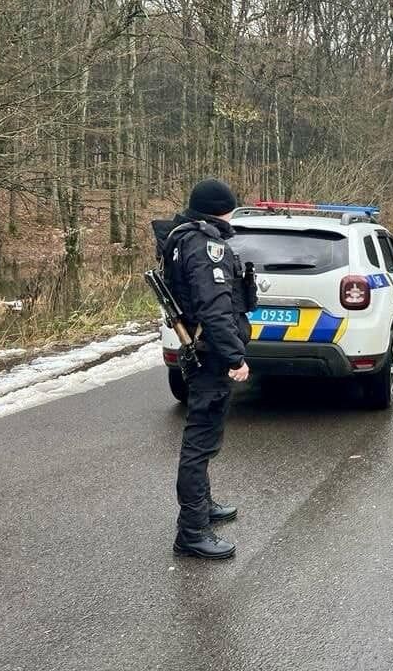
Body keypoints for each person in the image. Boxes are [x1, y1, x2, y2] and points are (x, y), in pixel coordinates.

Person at [152, 179, 256, 559]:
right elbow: (214, 309)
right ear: (221, 208)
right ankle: (192, 532)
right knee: (200, 442)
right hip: (210, 353)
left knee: (205, 438)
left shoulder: (183, 238)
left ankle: (203, 507)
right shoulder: (204, 245)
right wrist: (235, 358)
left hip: (201, 349)